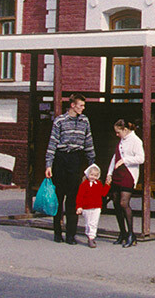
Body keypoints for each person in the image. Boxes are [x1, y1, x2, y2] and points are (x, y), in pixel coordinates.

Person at [44, 93, 95, 244]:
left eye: (84, 106)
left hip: (75, 158)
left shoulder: (84, 121)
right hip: (61, 158)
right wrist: (49, 164)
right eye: (81, 105)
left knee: (73, 198)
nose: (83, 108)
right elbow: (52, 143)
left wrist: (92, 164)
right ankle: (57, 233)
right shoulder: (60, 121)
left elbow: (88, 142)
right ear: (72, 105)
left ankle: (71, 235)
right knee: (58, 197)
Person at [106, 118, 145, 248]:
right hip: (117, 173)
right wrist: (109, 173)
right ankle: (122, 233)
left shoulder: (136, 141)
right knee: (116, 202)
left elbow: (141, 158)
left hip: (128, 174)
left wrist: (125, 160)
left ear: (125, 130)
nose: (117, 135)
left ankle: (130, 234)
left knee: (124, 203)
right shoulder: (122, 141)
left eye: (118, 132)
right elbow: (115, 157)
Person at [75, 163, 109, 248]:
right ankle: (89, 235)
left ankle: (91, 237)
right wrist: (79, 206)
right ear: (88, 174)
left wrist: (107, 185)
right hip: (86, 207)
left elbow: (103, 193)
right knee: (88, 223)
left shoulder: (98, 184)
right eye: (91, 175)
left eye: (95, 175)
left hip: (96, 207)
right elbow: (80, 196)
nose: (93, 177)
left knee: (94, 222)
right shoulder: (84, 185)